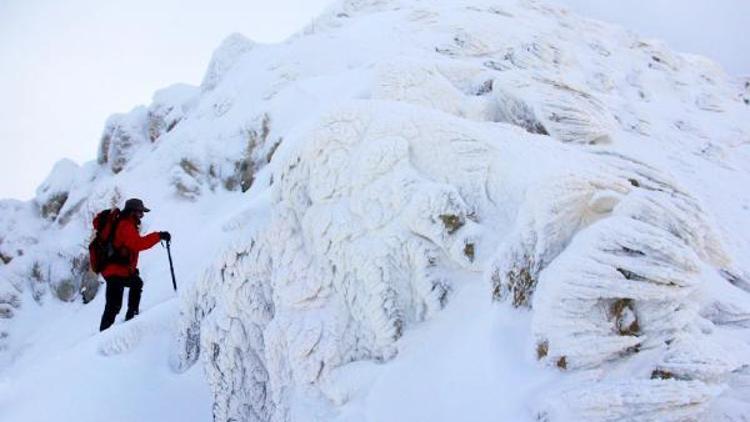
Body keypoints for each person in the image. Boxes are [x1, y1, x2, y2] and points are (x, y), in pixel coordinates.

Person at [99, 198, 170, 331]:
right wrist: (158, 236)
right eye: (140, 213)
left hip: (117, 270)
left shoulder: (126, 224)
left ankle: (131, 315)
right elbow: (138, 244)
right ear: (133, 212)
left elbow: (128, 250)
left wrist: (131, 270)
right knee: (113, 305)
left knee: (135, 284)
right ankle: (102, 336)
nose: (142, 216)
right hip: (115, 271)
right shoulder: (125, 225)